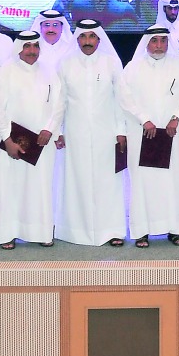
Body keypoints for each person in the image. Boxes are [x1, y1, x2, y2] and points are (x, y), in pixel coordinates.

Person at [118, 25, 179, 247]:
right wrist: (144, 119)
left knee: (173, 182)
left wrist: (177, 117)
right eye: (155, 41)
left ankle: (175, 230)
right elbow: (124, 98)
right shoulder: (132, 68)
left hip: (173, 134)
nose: (159, 45)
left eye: (163, 41)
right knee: (143, 182)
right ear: (147, 43)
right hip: (142, 133)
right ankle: (142, 231)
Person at [55, 19, 128, 246]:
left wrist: (121, 130)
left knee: (109, 181)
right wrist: (58, 130)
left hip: (107, 133)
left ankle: (112, 230)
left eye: (92, 37)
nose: (87, 42)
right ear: (77, 39)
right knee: (77, 180)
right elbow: (59, 101)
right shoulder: (65, 64)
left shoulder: (111, 63)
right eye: (83, 37)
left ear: (99, 39)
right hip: (75, 132)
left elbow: (120, 99)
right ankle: (76, 231)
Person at [0, 31, 62, 249]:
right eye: (27, 47)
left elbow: (59, 105)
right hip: (13, 142)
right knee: (10, 187)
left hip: (42, 143)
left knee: (40, 187)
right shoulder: (5, 72)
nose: (32, 51)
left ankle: (41, 232)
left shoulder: (49, 71)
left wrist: (50, 130)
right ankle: (8, 234)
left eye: (35, 46)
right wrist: (6, 139)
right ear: (19, 48)